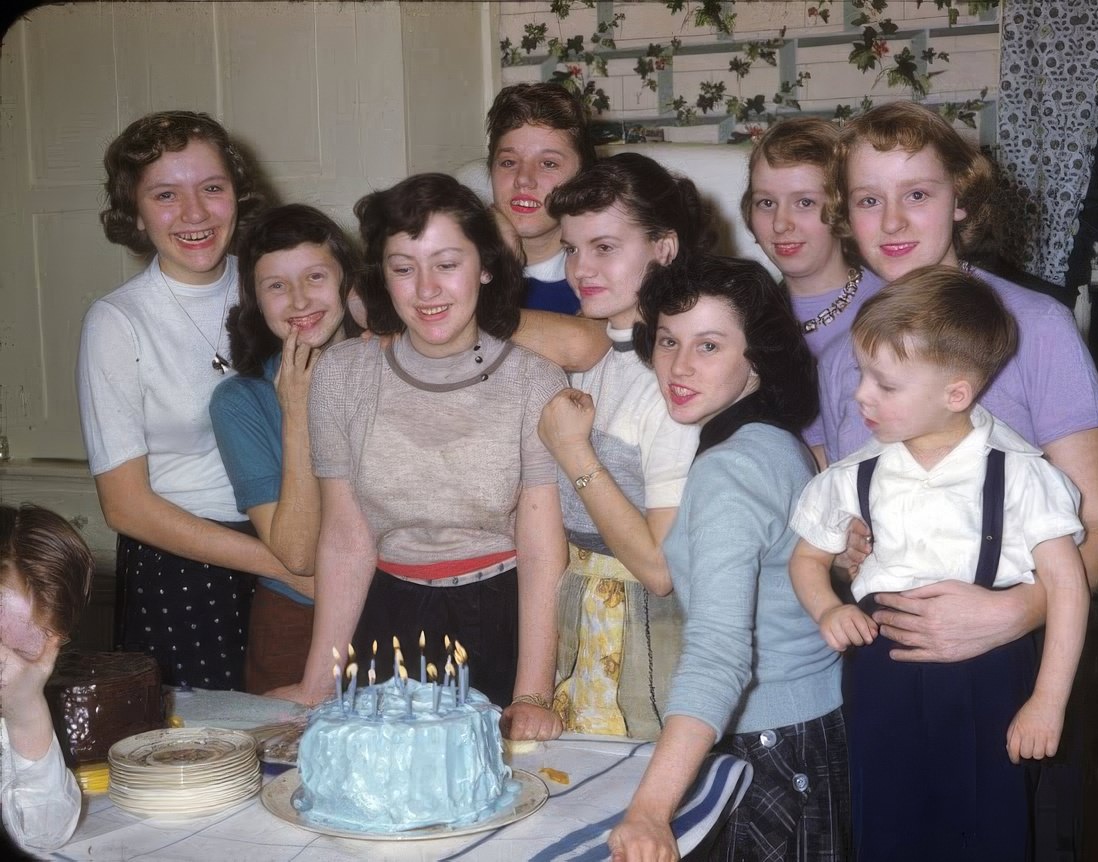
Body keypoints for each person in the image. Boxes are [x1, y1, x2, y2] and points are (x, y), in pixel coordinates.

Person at [820, 99, 1098, 859]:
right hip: (887, 683)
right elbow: (837, 529)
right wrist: (844, 555)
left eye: (917, 193)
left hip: (1017, 677)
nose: (892, 219)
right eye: (868, 198)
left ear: (962, 201)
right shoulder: (840, 363)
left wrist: (1016, 611)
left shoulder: (1034, 329)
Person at [789, 267, 1091, 860]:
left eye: (886, 384)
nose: (860, 396)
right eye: (861, 374)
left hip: (991, 677)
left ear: (956, 393)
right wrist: (827, 606)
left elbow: (1068, 586)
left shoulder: (1021, 472)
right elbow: (806, 557)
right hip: (883, 674)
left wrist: (1047, 700)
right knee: (886, 827)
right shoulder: (854, 475)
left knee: (990, 829)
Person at [273, 174, 567, 719]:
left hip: (501, 616)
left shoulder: (537, 382)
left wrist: (532, 695)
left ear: (484, 266)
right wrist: (317, 683)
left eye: (447, 264)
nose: (426, 289)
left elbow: (542, 543)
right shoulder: (341, 375)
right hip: (386, 617)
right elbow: (344, 536)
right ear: (382, 278)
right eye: (404, 268)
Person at [608, 256, 848, 862]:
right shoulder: (772, 441)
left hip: (770, 744)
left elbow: (720, 655)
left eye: (709, 345)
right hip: (812, 729)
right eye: (668, 340)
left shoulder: (730, 469)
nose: (679, 366)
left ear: (757, 357)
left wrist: (649, 810)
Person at [77, 110, 301, 691]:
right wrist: (284, 567)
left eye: (211, 188)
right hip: (182, 572)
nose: (195, 213)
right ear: (135, 209)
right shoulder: (117, 322)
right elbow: (124, 507)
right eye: (166, 195)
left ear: (237, 192)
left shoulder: (274, 285)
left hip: (292, 534)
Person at [521, 154, 709, 742]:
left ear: (665, 248)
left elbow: (659, 568)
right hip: (579, 623)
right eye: (572, 249)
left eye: (605, 247)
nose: (581, 268)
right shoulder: (590, 352)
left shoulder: (675, 377)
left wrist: (576, 455)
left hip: (653, 639)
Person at [209, 204, 363, 694]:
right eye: (276, 285)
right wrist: (297, 414)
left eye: (315, 276)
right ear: (256, 300)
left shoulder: (392, 366)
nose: (299, 299)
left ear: (347, 282)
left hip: (403, 608)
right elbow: (296, 553)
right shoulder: (241, 401)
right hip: (298, 620)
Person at [741, 116, 856, 465]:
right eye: (766, 202)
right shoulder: (744, 314)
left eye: (804, 202)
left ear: (841, 206)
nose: (780, 223)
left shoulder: (890, 309)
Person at [0, 504, 94, 853]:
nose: (5, 668)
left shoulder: (16, 699)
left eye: (23, 657)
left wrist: (27, 719)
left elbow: (42, 836)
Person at [487, 82, 597, 315]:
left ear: (583, 177)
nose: (523, 179)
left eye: (548, 164)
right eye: (508, 162)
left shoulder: (603, 281)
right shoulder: (450, 268)